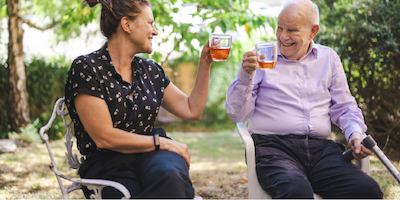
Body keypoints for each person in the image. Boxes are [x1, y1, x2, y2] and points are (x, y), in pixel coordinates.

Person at [226, 0, 383, 198]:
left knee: (367, 191)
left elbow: (344, 106)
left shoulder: (328, 58)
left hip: (321, 150)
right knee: (296, 191)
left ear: (313, 31)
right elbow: (237, 114)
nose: (283, 36)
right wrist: (245, 75)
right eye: (280, 28)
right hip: (273, 149)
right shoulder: (261, 58)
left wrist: (355, 134)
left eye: (292, 30)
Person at [64, 0, 214, 198]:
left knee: (170, 176)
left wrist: (205, 63)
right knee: (148, 192)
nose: (155, 31)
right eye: (150, 23)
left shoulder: (150, 71)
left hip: (152, 156)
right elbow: (104, 137)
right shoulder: (88, 68)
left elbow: (191, 109)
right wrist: (164, 142)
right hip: (108, 163)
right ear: (127, 24)